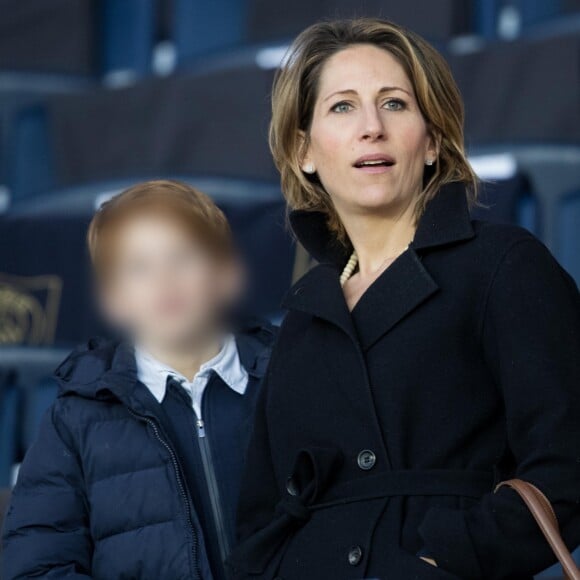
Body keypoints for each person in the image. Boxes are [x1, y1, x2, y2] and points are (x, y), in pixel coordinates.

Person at [228, 18, 580, 580]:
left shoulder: (503, 264)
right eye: (342, 107)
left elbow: (567, 462)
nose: (372, 127)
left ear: (433, 139)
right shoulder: (303, 315)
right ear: (304, 152)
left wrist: (443, 558)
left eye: (394, 104)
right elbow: (260, 515)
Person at [2, 180, 275, 580]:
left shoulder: (289, 375)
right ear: (114, 298)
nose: (165, 280)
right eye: (139, 268)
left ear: (223, 273)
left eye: (183, 257)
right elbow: (36, 567)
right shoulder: (75, 418)